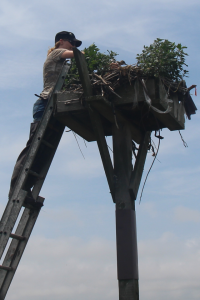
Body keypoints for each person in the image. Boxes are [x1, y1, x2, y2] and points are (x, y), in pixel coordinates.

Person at [8, 31, 82, 200]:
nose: (73, 46)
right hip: (45, 104)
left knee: (42, 153)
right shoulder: (57, 53)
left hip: (53, 106)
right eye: (72, 42)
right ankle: (15, 190)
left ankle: (25, 189)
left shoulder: (64, 61)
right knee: (32, 148)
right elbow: (78, 55)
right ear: (61, 41)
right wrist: (86, 54)